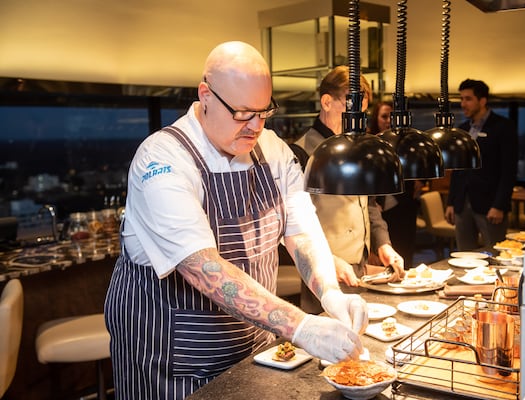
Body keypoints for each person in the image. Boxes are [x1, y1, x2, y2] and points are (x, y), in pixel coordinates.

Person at [104, 41, 368, 400]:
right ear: (206, 95)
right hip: (172, 358)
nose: (255, 126)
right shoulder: (161, 158)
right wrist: (301, 326)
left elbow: (302, 232)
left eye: (264, 111)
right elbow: (202, 268)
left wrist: (330, 294)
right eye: (243, 113)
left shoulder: (272, 149)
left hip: (253, 348)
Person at [293, 66, 405, 313]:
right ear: (326, 102)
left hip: (360, 268)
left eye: (362, 114)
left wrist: (383, 244)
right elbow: (293, 223)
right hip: (322, 271)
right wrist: (326, 260)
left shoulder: (359, 149)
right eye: (351, 111)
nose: (356, 121)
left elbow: (370, 206)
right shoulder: (301, 152)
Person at [444, 79, 518, 250]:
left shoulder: (503, 127)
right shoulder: (462, 128)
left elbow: (509, 170)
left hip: (490, 204)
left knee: (495, 254)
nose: (463, 104)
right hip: (463, 203)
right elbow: (458, 169)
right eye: (461, 99)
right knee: (463, 256)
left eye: (468, 99)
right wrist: (451, 202)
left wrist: (499, 205)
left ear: (482, 100)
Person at [368, 101, 424, 269]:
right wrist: (369, 201)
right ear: (376, 118)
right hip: (376, 207)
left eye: (392, 117)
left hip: (403, 205)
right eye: (384, 116)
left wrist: (421, 181)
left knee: (404, 254)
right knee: (379, 258)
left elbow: (422, 164)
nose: (388, 121)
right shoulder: (368, 142)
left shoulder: (406, 142)